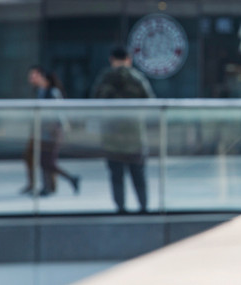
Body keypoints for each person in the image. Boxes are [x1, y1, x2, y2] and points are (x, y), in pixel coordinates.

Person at [91, 46, 155, 213]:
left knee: (116, 177)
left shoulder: (105, 78)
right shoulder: (137, 78)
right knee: (139, 176)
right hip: (135, 137)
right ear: (129, 59)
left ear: (112, 60)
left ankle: (121, 209)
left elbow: (94, 103)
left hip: (112, 138)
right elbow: (150, 103)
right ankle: (143, 207)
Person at [21, 66, 81, 197]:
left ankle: (70, 179)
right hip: (42, 131)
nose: (33, 79)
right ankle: (48, 187)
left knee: (48, 161)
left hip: (52, 132)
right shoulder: (40, 91)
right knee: (43, 160)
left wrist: (59, 129)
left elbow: (59, 113)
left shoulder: (52, 92)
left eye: (36, 76)